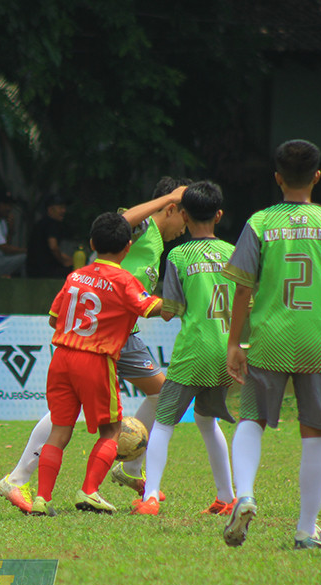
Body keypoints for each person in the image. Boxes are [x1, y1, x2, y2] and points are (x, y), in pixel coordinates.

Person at [0, 180, 188, 512]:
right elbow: (117, 225)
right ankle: (23, 478)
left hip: (106, 336)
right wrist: (185, 305)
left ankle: (124, 468)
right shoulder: (141, 230)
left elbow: (55, 317)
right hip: (108, 335)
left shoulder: (83, 274)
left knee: (75, 416)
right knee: (157, 398)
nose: (184, 230)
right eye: (185, 218)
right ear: (171, 209)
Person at [221, 139, 321, 550]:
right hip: (316, 339)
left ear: (278, 178)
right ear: (316, 176)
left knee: (251, 419)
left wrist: (234, 342)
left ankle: (244, 495)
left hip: (270, 339)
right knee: (315, 433)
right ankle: (306, 529)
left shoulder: (260, 222)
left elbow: (242, 289)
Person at [29, 212, 164, 516]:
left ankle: (41, 498)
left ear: (91, 243)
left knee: (59, 432)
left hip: (62, 357)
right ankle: (89, 491)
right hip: (96, 359)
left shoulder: (75, 276)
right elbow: (149, 307)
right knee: (112, 430)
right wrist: (180, 304)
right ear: (128, 247)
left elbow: (54, 318)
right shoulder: (123, 279)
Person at [133, 181, 236, 516]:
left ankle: (150, 497)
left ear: (185, 214)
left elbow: (171, 310)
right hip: (225, 350)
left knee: (163, 422)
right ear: (219, 214)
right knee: (208, 422)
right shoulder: (235, 253)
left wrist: (146, 302)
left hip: (194, 350)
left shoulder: (178, 255)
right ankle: (226, 497)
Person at [26, 194, 74, 278]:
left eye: (64, 208)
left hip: (33, 270)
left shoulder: (41, 223)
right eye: (60, 208)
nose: (63, 211)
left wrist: (70, 259)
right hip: (46, 271)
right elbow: (53, 247)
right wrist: (63, 262)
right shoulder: (52, 224)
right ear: (50, 210)